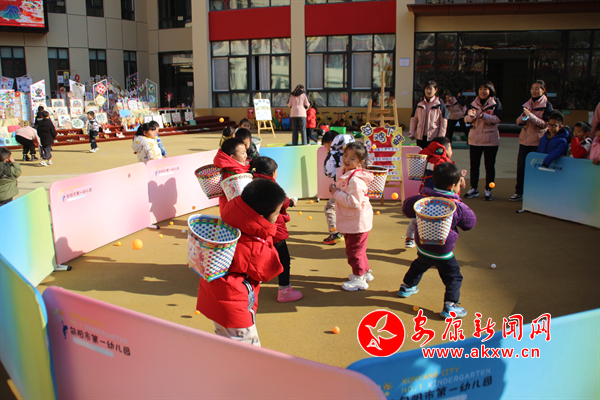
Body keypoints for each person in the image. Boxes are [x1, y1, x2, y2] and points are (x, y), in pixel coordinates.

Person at [195, 179, 286, 346]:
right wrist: (268, 233)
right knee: (249, 353)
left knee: (225, 345)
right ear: (261, 217)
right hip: (234, 306)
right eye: (277, 213)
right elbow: (269, 271)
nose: (279, 216)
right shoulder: (254, 245)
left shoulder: (232, 216)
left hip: (215, 295)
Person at [398, 162, 477, 318]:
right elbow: (470, 224)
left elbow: (407, 208)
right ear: (453, 186)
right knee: (453, 276)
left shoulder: (423, 198)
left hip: (423, 244)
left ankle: (407, 286)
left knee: (420, 264)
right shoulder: (456, 205)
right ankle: (450, 306)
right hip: (443, 249)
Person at [251, 157, 303, 303]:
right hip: (274, 229)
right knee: (284, 259)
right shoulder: (271, 186)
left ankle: (253, 283)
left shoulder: (250, 181)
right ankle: (284, 291)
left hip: (255, 228)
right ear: (273, 173)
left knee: (259, 255)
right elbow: (283, 202)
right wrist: (291, 202)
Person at [405, 137, 466, 249]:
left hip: (426, 193)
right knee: (442, 219)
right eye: (451, 148)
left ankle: (410, 237)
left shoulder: (429, 157)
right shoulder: (441, 161)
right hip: (439, 195)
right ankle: (435, 238)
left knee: (419, 216)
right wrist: (458, 176)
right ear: (445, 149)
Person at [329, 142, 374, 291]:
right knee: (359, 250)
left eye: (352, 158)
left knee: (354, 252)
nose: (347, 160)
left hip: (357, 222)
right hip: (354, 221)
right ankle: (365, 272)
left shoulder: (355, 180)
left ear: (361, 162)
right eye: (345, 155)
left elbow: (354, 202)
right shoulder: (348, 174)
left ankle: (359, 277)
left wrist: (335, 192)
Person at [510, 80, 553, 202]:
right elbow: (518, 122)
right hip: (524, 141)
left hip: (537, 141)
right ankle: (519, 192)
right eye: (532, 88)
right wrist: (524, 116)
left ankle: (534, 194)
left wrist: (531, 116)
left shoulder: (547, 105)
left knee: (535, 168)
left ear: (543, 90)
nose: (534, 91)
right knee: (521, 167)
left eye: (537, 88)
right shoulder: (526, 104)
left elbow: (546, 124)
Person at [464, 81, 502, 201]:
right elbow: (466, 119)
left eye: (485, 89)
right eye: (480, 89)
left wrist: (483, 116)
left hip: (490, 140)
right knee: (474, 166)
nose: (482, 91)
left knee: (489, 166)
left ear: (490, 90)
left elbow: (497, 119)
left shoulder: (495, 103)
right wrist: (471, 117)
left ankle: (488, 189)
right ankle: (474, 188)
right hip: (475, 139)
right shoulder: (473, 102)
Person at [322, 131, 355, 245]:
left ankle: (334, 233)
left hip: (341, 187)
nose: (326, 148)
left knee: (329, 208)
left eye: (326, 145)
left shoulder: (334, 155)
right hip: (354, 187)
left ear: (332, 143)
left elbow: (329, 172)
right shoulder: (354, 154)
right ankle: (351, 231)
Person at [213, 138, 250, 214]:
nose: (246, 156)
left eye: (246, 152)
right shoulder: (232, 174)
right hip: (232, 211)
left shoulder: (233, 168)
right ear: (232, 157)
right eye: (242, 153)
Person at [409, 81, 448, 150]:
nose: (428, 91)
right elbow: (414, 119)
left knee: (432, 155)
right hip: (420, 137)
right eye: (426, 89)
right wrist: (412, 133)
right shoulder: (419, 103)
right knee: (421, 155)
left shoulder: (439, 104)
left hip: (434, 137)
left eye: (430, 89)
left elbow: (443, 121)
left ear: (436, 90)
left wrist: (441, 136)